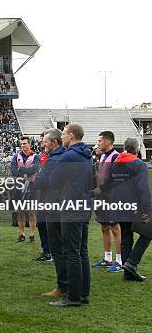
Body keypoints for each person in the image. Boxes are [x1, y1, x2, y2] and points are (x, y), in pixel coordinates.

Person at [48, 123, 93, 307]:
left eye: (65, 134)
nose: (63, 137)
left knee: (72, 252)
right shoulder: (87, 155)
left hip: (72, 206)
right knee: (82, 251)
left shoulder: (69, 155)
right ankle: (82, 294)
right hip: (84, 204)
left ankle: (73, 297)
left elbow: (54, 181)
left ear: (72, 136)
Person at [100, 138, 151, 282]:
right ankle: (132, 263)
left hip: (119, 205)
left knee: (126, 237)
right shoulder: (139, 164)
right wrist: (146, 208)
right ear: (137, 149)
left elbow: (109, 182)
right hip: (134, 205)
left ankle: (128, 272)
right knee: (148, 233)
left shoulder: (116, 163)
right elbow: (142, 188)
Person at [32, 129, 67, 298]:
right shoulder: (66, 156)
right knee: (70, 249)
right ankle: (70, 285)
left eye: (45, 141)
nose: (43, 144)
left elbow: (40, 182)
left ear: (54, 142)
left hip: (54, 207)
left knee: (59, 249)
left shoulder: (54, 160)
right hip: (65, 205)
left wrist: (38, 177)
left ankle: (63, 286)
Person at [92, 131, 122, 272]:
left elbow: (115, 178)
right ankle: (108, 259)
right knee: (104, 227)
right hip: (101, 197)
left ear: (108, 142)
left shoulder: (117, 157)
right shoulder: (102, 155)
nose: (97, 143)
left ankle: (120, 261)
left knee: (115, 228)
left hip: (112, 197)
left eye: (99, 141)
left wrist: (101, 188)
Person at [10, 137, 40, 243]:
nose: (23, 145)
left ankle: (32, 235)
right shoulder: (16, 156)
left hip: (31, 185)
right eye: (21, 144)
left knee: (32, 211)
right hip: (19, 186)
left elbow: (34, 169)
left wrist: (21, 170)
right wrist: (27, 171)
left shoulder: (35, 156)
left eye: (25, 143)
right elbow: (13, 171)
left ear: (29, 144)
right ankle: (22, 234)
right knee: (20, 211)